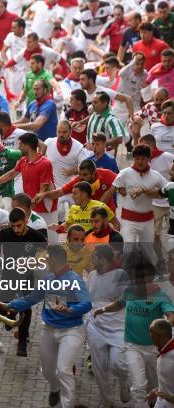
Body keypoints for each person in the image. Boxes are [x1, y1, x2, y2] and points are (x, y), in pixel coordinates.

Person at [0, 244, 92, 408]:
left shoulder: (75, 280)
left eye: (48, 258)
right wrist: (8, 305)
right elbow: (31, 299)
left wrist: (71, 309)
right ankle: (55, 388)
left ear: (54, 259)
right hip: (49, 329)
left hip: (71, 330)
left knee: (64, 369)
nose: (46, 261)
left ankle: (67, 405)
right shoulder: (47, 279)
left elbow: (87, 304)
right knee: (47, 371)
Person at [94, 253, 174, 408]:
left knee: (154, 385)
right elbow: (119, 304)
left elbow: (171, 315)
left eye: (140, 279)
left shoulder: (160, 296)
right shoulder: (130, 291)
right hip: (132, 346)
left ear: (150, 278)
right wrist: (102, 309)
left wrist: (164, 326)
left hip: (153, 349)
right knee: (138, 387)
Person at [0, 208, 48, 356]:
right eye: (13, 225)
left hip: (27, 275)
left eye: (19, 225)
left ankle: (22, 340)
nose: (15, 229)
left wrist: (35, 260)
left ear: (26, 221)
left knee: (26, 308)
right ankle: (10, 314)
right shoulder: (5, 233)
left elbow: (44, 252)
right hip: (8, 274)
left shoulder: (36, 236)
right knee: (3, 304)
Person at [86, 245, 130, 407]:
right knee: (99, 370)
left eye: (94, 257)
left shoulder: (121, 275)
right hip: (96, 329)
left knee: (118, 363)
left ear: (103, 260)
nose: (91, 260)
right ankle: (108, 402)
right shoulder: (91, 276)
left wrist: (113, 304)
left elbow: (125, 300)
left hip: (118, 328)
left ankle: (124, 382)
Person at [0, 132, 58, 242]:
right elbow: (12, 174)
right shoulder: (23, 161)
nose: (18, 148)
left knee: (52, 242)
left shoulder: (45, 164)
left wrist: (27, 207)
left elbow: (42, 191)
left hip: (45, 209)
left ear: (27, 146)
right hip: (30, 208)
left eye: (20, 145)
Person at [107, 144, 168, 243]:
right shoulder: (124, 174)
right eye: (137, 158)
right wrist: (99, 207)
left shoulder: (155, 175)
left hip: (148, 220)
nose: (140, 162)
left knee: (147, 252)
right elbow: (110, 192)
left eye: (143, 159)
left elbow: (167, 191)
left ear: (149, 158)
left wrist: (144, 191)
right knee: (128, 251)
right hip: (129, 220)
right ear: (133, 158)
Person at [140, 133, 174, 265]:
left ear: (151, 146)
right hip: (156, 204)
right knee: (153, 235)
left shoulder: (167, 157)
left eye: (143, 146)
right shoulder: (142, 162)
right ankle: (160, 260)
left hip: (170, 202)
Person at [41, 121, 87, 218]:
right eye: (59, 132)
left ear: (70, 132)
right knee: (57, 217)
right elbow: (39, 159)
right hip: (55, 189)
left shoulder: (78, 147)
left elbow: (87, 168)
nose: (61, 134)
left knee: (77, 218)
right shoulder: (48, 143)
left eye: (64, 132)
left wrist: (74, 171)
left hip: (74, 189)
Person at [86, 92, 129, 156]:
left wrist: (100, 145)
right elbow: (91, 119)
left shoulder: (111, 119)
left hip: (104, 155)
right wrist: (80, 122)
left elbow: (118, 138)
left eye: (95, 102)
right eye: (92, 102)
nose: (92, 104)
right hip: (90, 152)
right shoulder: (95, 113)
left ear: (104, 104)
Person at [148, 318, 174, 408]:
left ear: (160, 336)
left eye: (151, 334)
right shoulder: (163, 351)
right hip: (161, 402)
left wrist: (171, 398)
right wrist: (157, 390)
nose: (149, 337)